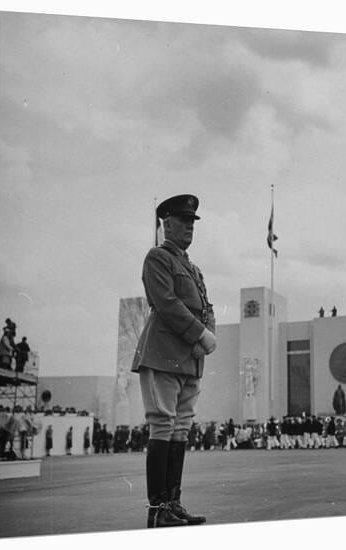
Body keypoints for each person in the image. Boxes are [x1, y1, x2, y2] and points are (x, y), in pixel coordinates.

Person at [131, 194, 216, 528]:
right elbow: (165, 302)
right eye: (183, 222)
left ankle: (174, 504)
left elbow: (206, 307)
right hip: (163, 353)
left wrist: (206, 336)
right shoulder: (158, 258)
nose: (189, 228)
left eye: (192, 222)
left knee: (180, 427)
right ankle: (159, 508)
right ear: (167, 224)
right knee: (164, 423)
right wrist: (199, 334)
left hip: (189, 357)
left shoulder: (193, 268)